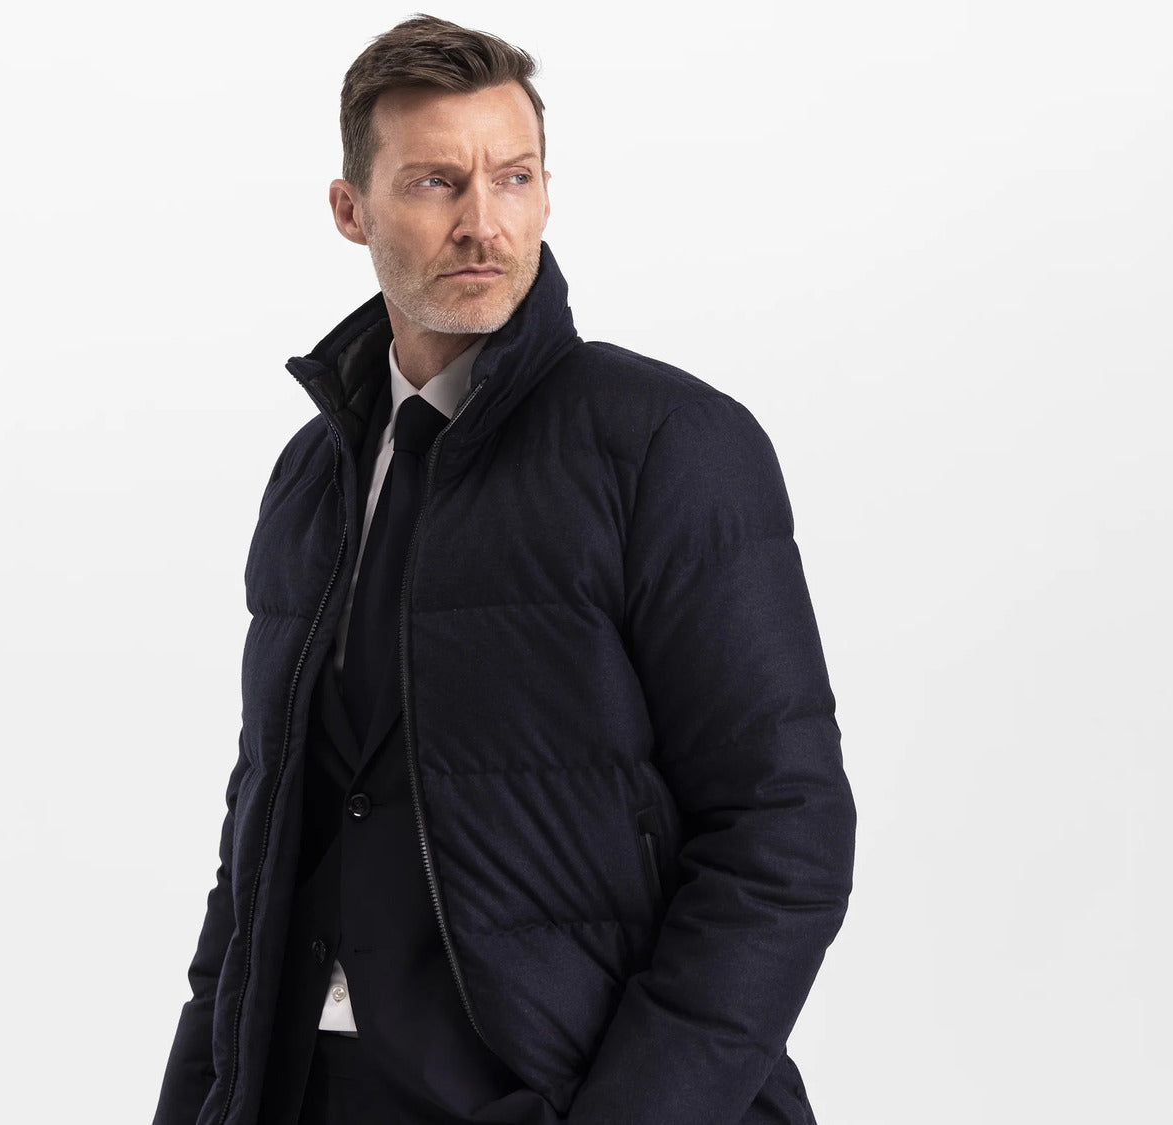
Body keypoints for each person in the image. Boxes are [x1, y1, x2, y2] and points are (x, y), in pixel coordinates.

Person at [152, 14, 856, 1125]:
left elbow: (785, 832)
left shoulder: (666, 444)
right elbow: (259, 846)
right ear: (351, 210)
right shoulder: (312, 475)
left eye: (514, 177)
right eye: (436, 182)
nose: (484, 222)